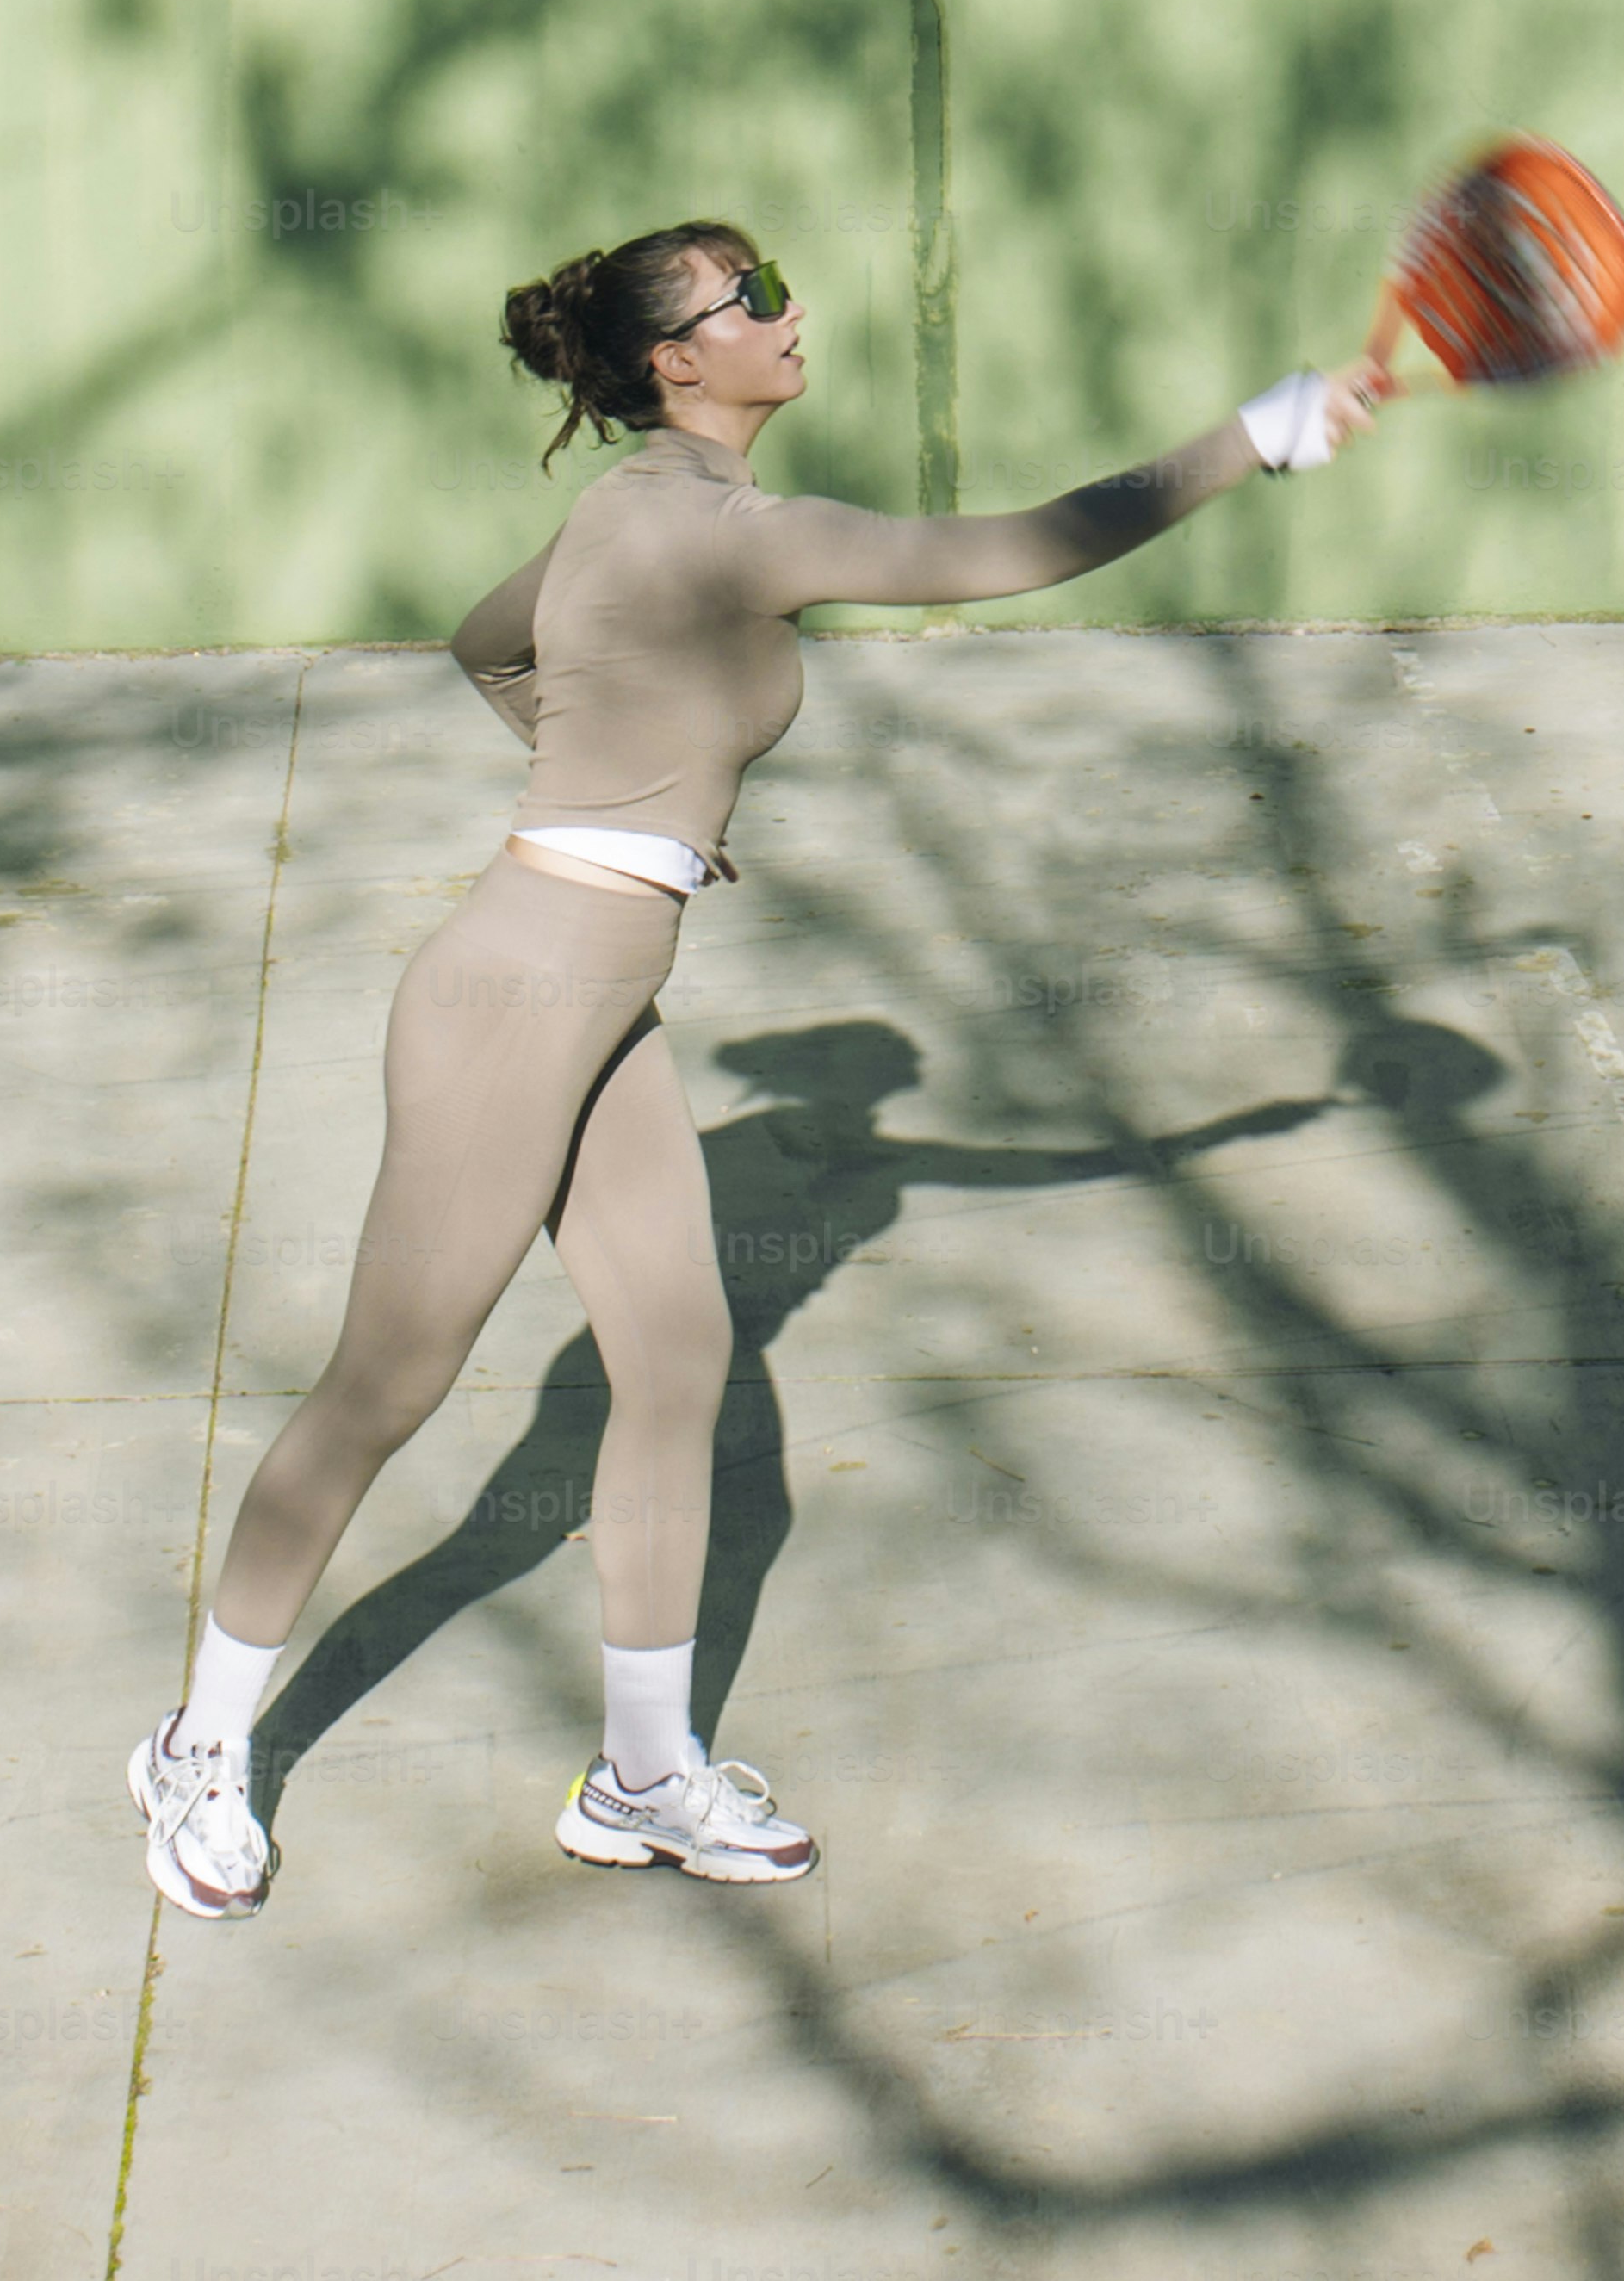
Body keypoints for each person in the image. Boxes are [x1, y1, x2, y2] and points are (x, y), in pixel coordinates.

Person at [129, 220, 1379, 1911]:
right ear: (676, 359)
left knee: (678, 1356)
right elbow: (1010, 550)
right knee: (387, 1385)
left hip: (596, 992)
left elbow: (485, 644)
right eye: (752, 299)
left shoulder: (622, 513)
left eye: (779, 282)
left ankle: (643, 1771)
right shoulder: (725, 529)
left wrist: (623, 804)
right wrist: (1254, 433)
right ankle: (198, 1742)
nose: (792, 315)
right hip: (515, 997)